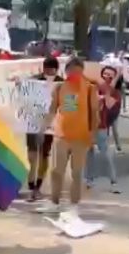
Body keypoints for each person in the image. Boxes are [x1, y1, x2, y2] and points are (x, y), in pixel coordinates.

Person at [39, 58, 99, 215]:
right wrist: (44, 125)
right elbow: (53, 109)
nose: (75, 75)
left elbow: (94, 114)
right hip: (61, 136)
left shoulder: (90, 89)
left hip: (81, 137)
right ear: (66, 71)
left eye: (78, 72)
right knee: (57, 171)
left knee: (76, 172)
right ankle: (54, 202)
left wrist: (93, 135)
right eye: (72, 71)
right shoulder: (60, 88)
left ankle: (74, 205)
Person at [25, 56, 63, 202]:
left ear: (56, 70)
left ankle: (37, 186)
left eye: (51, 70)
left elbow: (69, 104)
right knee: (32, 156)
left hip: (50, 124)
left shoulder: (62, 84)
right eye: (46, 69)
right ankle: (31, 186)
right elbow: (24, 95)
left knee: (44, 155)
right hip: (33, 123)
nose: (48, 72)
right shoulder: (34, 80)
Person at [86, 65, 122, 193]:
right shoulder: (93, 87)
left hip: (101, 127)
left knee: (106, 154)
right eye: (105, 74)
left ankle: (113, 182)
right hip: (87, 126)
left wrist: (106, 92)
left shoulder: (115, 93)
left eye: (111, 75)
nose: (108, 76)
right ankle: (89, 180)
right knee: (88, 154)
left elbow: (110, 105)